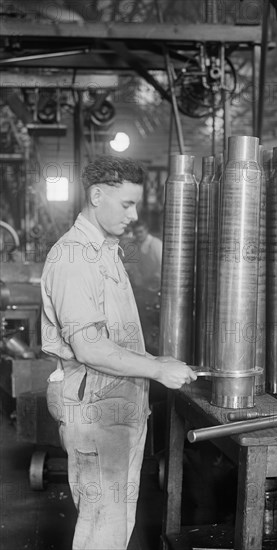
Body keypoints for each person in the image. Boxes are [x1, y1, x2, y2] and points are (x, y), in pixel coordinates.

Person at [41, 155, 197, 550]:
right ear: (96, 195)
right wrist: (157, 368)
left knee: (114, 522)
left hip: (117, 405)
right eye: (126, 204)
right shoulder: (74, 259)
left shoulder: (105, 251)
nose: (134, 214)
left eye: (136, 204)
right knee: (101, 530)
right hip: (95, 410)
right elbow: (89, 346)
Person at [123, 220, 163, 293]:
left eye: (140, 232)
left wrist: (156, 277)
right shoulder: (135, 244)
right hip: (142, 286)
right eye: (136, 233)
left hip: (156, 285)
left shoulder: (156, 244)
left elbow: (162, 264)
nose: (138, 235)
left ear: (146, 230)